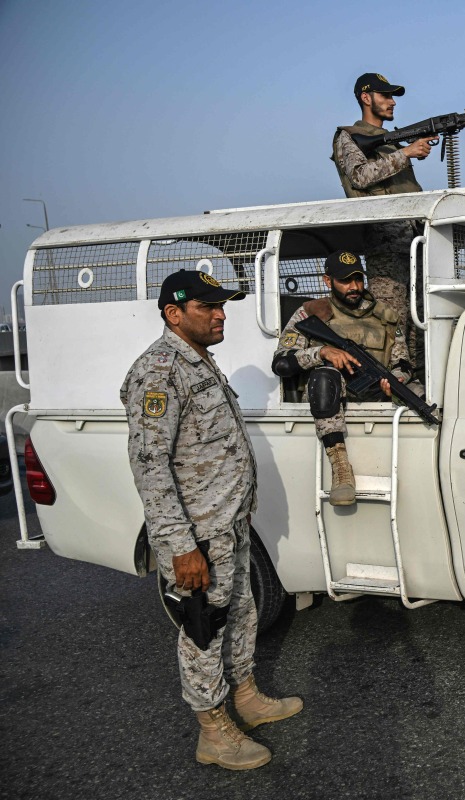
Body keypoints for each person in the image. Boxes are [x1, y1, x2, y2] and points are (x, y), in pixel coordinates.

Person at [121, 269, 302, 770]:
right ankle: (213, 732)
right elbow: (150, 465)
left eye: (221, 305)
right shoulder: (159, 371)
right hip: (197, 531)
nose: (221, 314)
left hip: (227, 522)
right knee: (204, 626)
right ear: (174, 314)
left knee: (241, 611)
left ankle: (244, 696)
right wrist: (180, 546)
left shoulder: (199, 360)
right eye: (208, 307)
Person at [272, 251, 417, 506]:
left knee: (420, 393)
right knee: (325, 375)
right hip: (328, 401)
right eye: (346, 281)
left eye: (358, 280)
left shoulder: (383, 315)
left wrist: (396, 379)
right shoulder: (311, 313)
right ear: (328, 281)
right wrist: (322, 352)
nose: (354, 287)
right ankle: (340, 467)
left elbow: (403, 361)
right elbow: (282, 362)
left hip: (375, 396)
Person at [331, 72, 437, 375]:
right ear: (366, 98)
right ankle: (390, 386)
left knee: (420, 324)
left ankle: (418, 382)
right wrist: (407, 152)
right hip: (386, 247)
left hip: (414, 245)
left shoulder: (389, 143)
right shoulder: (348, 136)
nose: (392, 102)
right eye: (385, 96)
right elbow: (360, 176)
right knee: (392, 324)